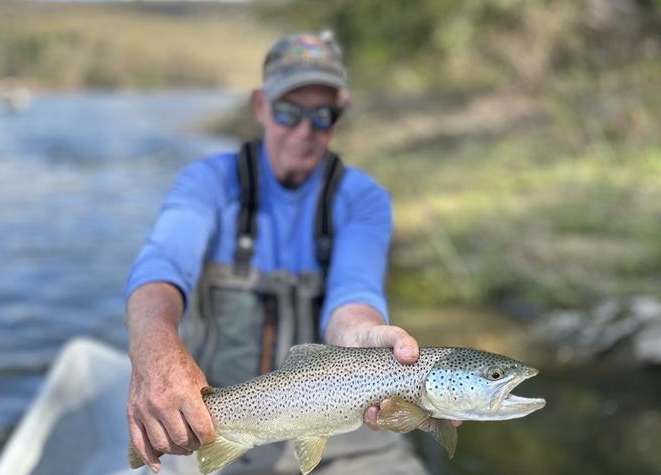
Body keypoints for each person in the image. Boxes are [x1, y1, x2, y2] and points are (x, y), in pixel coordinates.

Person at [125, 31, 457, 475]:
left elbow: (353, 295)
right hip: (222, 420)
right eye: (288, 112)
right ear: (261, 106)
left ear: (340, 115)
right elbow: (161, 268)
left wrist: (362, 336)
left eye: (322, 115)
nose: (304, 131)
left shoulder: (363, 199)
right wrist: (153, 348)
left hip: (348, 428)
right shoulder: (208, 183)